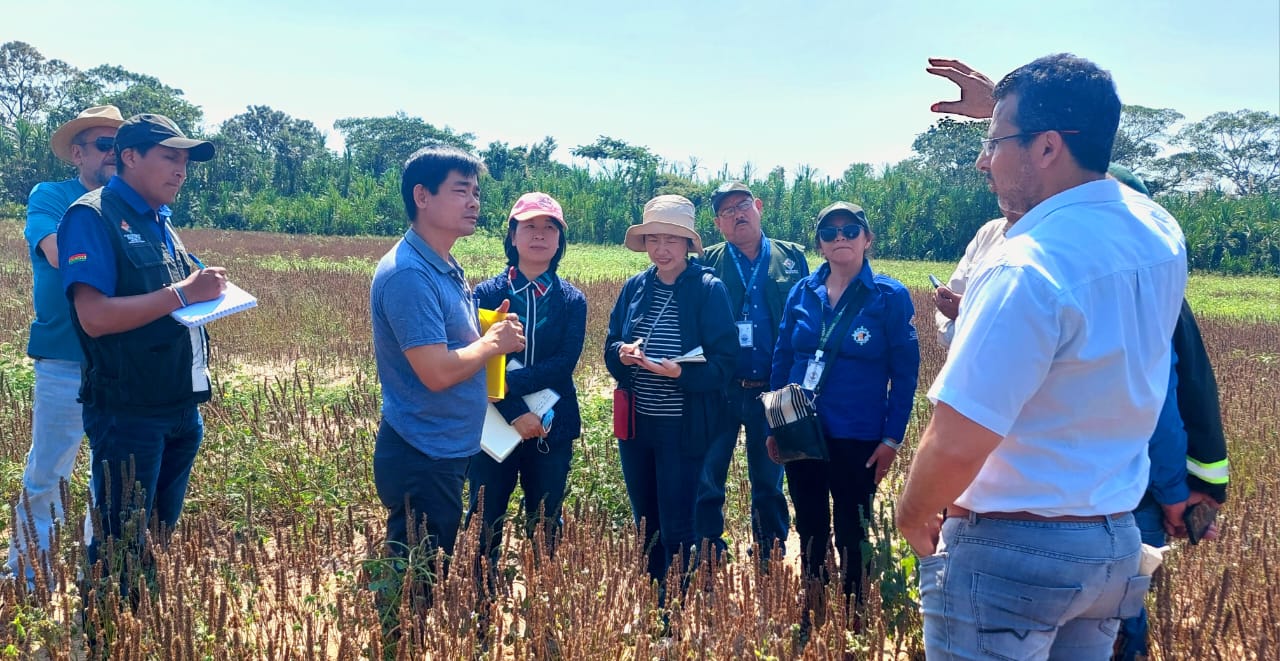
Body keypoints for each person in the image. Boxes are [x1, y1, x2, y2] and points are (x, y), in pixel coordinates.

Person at [897, 54, 1188, 660]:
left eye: (995, 142)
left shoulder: (1024, 263)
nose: (983, 160)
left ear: (1049, 147)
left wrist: (914, 512)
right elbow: (1098, 157)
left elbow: (958, 438)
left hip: (1012, 554)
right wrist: (1007, 109)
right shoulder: (1159, 231)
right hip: (1112, 543)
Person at [56, 113, 224, 591]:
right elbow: (95, 316)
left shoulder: (161, 222)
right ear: (129, 157)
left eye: (186, 162)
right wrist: (184, 294)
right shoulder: (92, 216)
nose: (181, 171)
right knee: (119, 547)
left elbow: (169, 298)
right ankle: (104, 634)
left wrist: (200, 292)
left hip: (179, 405)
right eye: (169, 157)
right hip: (129, 412)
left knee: (156, 539)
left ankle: (140, 628)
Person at [369, 146, 524, 602]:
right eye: (461, 191)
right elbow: (435, 372)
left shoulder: (444, 265)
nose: (474, 202)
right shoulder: (409, 275)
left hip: (442, 446)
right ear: (422, 195)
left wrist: (484, 331)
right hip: (422, 452)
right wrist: (491, 344)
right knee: (413, 582)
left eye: (476, 192)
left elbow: (447, 345)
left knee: (424, 573)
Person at [767, 202, 919, 609]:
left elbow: (905, 375)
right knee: (811, 523)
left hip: (859, 434)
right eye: (830, 233)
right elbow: (782, 359)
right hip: (801, 431)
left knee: (853, 527)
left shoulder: (889, 297)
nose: (841, 239)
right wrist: (775, 425)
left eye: (850, 231)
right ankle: (813, 605)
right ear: (820, 243)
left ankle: (854, 610)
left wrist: (892, 438)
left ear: (867, 239)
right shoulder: (802, 291)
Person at [5, 106, 123, 587]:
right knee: (48, 470)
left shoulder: (136, 205)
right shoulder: (52, 197)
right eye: (102, 145)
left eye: (122, 145)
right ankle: (29, 579)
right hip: (63, 358)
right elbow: (60, 254)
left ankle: (97, 577)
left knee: (113, 475)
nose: (115, 154)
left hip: (119, 358)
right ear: (77, 153)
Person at [604, 195, 737, 589]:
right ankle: (654, 594)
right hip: (637, 427)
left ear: (688, 245)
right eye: (654, 240)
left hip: (682, 428)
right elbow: (611, 344)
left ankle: (675, 605)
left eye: (672, 240)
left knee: (678, 523)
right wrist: (623, 355)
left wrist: (680, 372)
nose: (661, 249)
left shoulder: (709, 291)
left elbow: (724, 364)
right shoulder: (634, 289)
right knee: (645, 520)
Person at [466, 192, 586, 590]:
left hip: (552, 425)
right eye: (529, 227)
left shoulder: (572, 300)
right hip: (492, 424)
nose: (540, 236)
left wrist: (508, 386)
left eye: (549, 228)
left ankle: (542, 603)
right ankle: (481, 609)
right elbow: (479, 360)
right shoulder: (484, 294)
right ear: (512, 236)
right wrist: (514, 410)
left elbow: (564, 364)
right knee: (485, 518)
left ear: (560, 241)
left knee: (547, 519)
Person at [695, 182, 807, 565]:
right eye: (727, 212)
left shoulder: (792, 257)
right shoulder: (705, 261)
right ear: (718, 223)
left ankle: (769, 551)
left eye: (742, 205)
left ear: (758, 207)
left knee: (770, 478)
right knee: (708, 473)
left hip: (773, 389)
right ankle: (709, 548)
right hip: (720, 389)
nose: (737, 215)